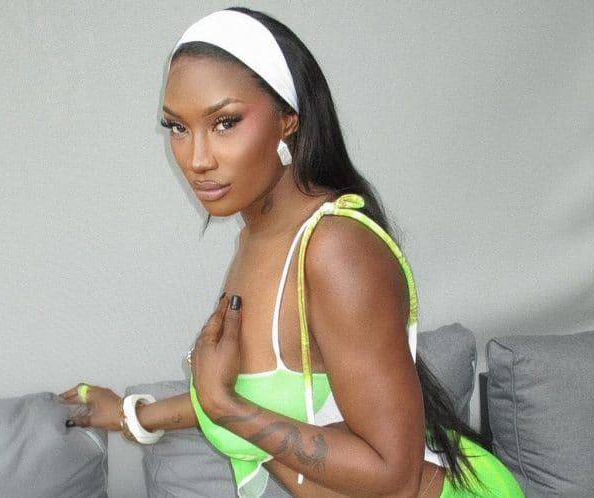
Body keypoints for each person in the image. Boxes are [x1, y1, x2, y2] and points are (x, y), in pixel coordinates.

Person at [62, 7, 523, 498]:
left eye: (224, 123)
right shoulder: (255, 237)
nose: (196, 159)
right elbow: (249, 387)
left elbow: (395, 474)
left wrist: (225, 409)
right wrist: (133, 415)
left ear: (287, 120)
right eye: (177, 127)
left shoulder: (334, 248)